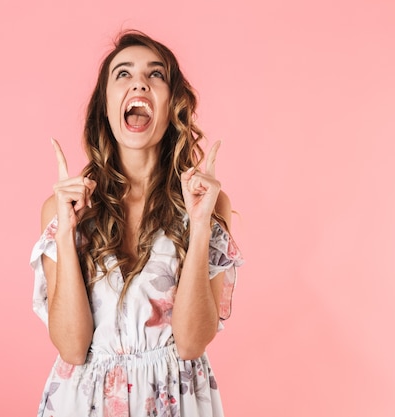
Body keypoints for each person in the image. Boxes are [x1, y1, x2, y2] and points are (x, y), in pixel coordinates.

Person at [30, 30, 242, 417]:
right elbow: (73, 347)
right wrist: (66, 232)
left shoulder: (206, 204)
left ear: (172, 104)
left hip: (176, 402)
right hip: (83, 404)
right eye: (123, 74)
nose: (139, 81)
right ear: (106, 108)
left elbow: (192, 343)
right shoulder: (65, 209)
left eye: (155, 74)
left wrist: (198, 227)